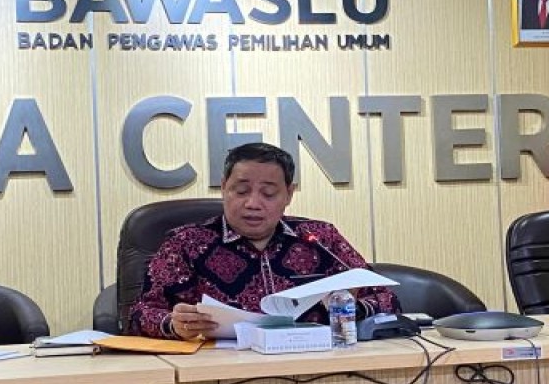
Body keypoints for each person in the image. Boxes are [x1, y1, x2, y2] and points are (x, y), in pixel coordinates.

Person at [129, 142, 399, 338]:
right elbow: (138, 316)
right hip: (217, 372)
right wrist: (173, 324)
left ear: (289, 194)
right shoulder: (185, 243)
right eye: (241, 190)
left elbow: (388, 299)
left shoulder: (320, 238)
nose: (253, 203)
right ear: (224, 187)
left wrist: (352, 309)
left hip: (314, 364)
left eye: (268, 193)